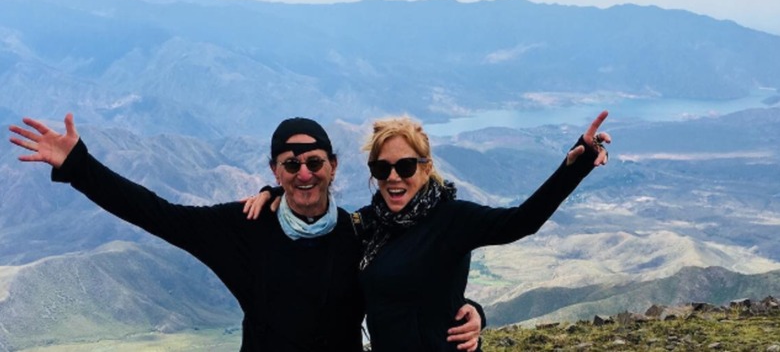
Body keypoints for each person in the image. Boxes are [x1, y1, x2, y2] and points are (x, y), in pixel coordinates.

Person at [8, 114, 483, 352]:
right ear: (274, 170)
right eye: (290, 164)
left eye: (314, 162)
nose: (303, 174)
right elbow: (155, 213)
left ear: (333, 167)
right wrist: (79, 166)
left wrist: (472, 311)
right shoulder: (244, 229)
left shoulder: (361, 231)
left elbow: (420, 276)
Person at [246, 111, 611, 351]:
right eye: (381, 168)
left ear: (426, 167)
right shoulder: (367, 225)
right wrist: (278, 191)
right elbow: (315, 219)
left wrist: (573, 168)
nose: (393, 178)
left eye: (405, 166)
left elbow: (522, 221)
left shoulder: (452, 219)